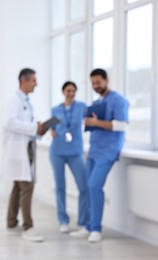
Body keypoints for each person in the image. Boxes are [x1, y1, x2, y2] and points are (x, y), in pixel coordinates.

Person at [70, 68, 129, 243]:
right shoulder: (98, 102)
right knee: (87, 187)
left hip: (108, 151)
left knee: (95, 186)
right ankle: (88, 226)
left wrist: (96, 122)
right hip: (95, 149)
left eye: (99, 82)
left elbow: (122, 125)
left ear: (107, 80)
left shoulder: (119, 100)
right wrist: (90, 122)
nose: (96, 86)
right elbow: (99, 124)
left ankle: (96, 229)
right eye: (93, 83)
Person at [3, 68, 47, 242]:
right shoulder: (13, 100)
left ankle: (12, 222)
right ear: (24, 80)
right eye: (34, 80)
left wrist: (38, 129)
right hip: (17, 149)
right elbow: (10, 123)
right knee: (27, 186)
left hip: (26, 146)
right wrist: (33, 128)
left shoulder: (26, 101)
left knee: (18, 186)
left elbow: (26, 125)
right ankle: (28, 227)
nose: (36, 84)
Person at [49, 81, 88, 233]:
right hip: (57, 151)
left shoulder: (81, 107)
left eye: (73, 91)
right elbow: (51, 127)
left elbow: (91, 117)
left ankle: (83, 221)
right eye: (68, 90)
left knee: (83, 186)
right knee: (60, 187)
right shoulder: (55, 109)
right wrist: (51, 130)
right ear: (63, 92)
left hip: (75, 151)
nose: (71, 93)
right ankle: (63, 220)